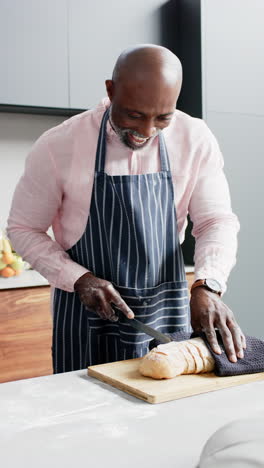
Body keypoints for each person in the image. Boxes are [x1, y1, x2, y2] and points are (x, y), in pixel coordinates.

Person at [7, 44, 246, 373]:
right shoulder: (58, 144)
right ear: (110, 90)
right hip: (85, 317)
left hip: (166, 314)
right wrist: (78, 278)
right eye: (134, 115)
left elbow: (216, 221)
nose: (146, 132)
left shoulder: (195, 138)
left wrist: (209, 285)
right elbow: (22, 228)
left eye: (162, 118)